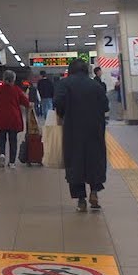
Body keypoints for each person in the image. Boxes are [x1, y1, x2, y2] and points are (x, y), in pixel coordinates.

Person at [54, 58, 109, 212]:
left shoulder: (64, 84)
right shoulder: (96, 85)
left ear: (71, 70)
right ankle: (94, 191)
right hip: (95, 129)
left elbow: (58, 102)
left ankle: (81, 200)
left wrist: (64, 113)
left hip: (73, 129)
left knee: (75, 161)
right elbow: (105, 106)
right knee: (95, 159)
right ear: (86, 70)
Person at [0, 70, 30, 169]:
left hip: (0, 118)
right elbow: (26, 102)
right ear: (13, 80)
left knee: (1, 138)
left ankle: (2, 154)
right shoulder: (16, 90)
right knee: (13, 140)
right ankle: (12, 162)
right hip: (13, 119)